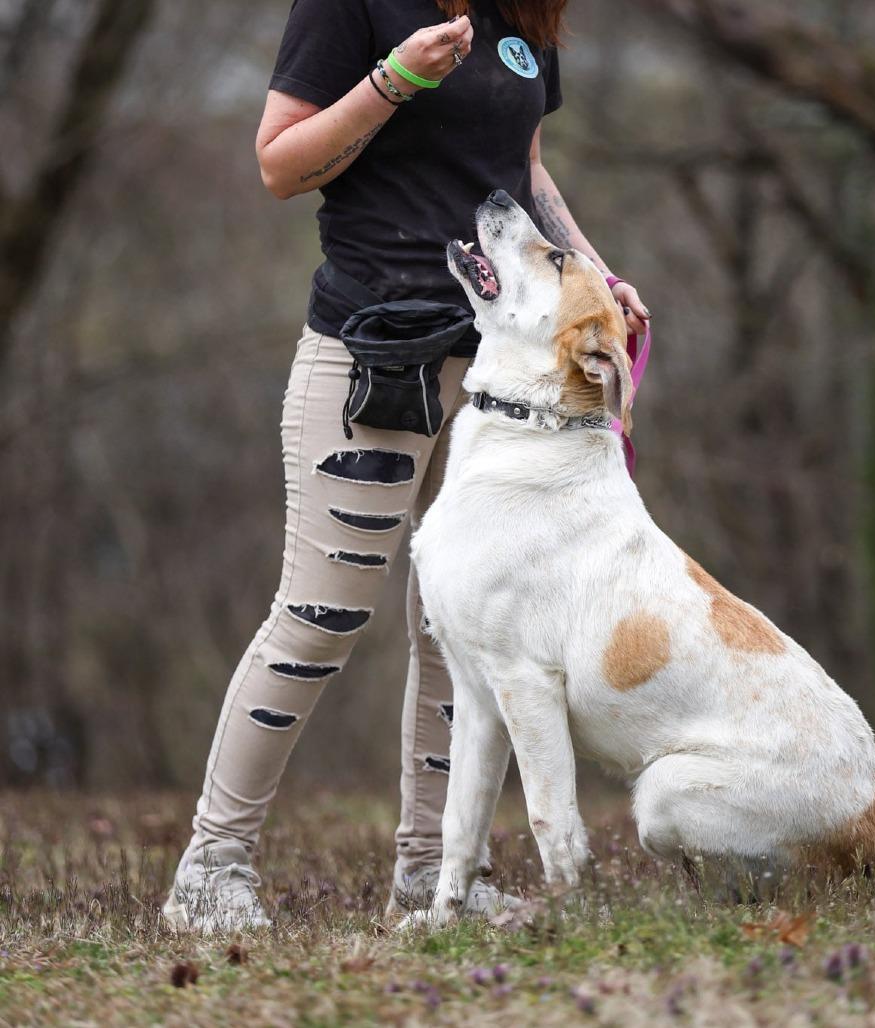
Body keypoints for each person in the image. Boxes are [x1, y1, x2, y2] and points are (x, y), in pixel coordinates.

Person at [163, 0, 651, 931]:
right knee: (321, 617)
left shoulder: (523, 12)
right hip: (368, 355)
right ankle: (209, 872)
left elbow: (526, 168)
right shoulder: (349, 5)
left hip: (494, 375)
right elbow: (279, 164)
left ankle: (436, 882)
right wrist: (396, 80)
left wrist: (595, 272)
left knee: (456, 632)